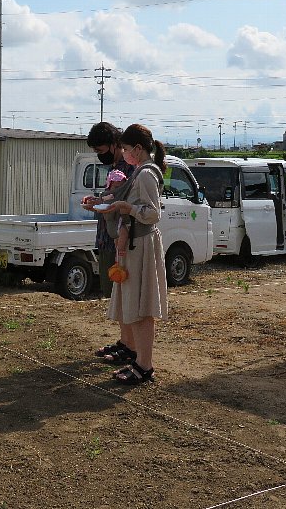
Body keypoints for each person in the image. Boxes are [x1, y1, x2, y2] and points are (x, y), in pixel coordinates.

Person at [98, 124, 168, 385]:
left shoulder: (147, 174)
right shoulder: (140, 171)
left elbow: (152, 213)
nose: (124, 154)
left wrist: (127, 208)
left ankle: (144, 365)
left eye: (126, 149)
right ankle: (139, 360)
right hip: (136, 244)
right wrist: (115, 205)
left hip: (144, 243)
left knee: (142, 307)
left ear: (138, 149)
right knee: (136, 305)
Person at [82, 123, 134, 298]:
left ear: (114, 143)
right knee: (111, 294)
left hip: (120, 241)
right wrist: (97, 201)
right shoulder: (114, 168)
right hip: (106, 238)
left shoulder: (130, 168)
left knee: (120, 295)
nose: (99, 155)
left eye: (100, 150)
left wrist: (100, 202)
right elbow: (112, 198)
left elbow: (123, 202)